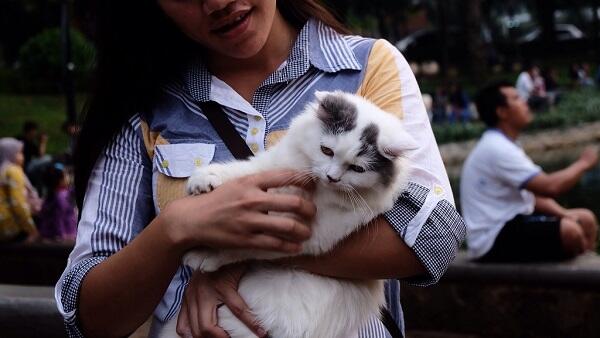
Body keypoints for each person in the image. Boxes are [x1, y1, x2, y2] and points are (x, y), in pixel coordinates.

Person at [56, 1, 465, 338]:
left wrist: (234, 260)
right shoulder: (145, 104)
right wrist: (174, 232)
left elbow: (431, 236)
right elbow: (88, 314)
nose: (217, 3)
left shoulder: (366, 65)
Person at [460, 81, 599, 263]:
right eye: (517, 98)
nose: (525, 101)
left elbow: (532, 195)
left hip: (512, 223)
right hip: (491, 238)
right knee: (570, 231)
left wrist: (563, 212)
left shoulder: (505, 145)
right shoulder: (497, 148)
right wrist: (583, 164)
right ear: (501, 112)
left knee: (585, 219)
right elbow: (550, 187)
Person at [0, 138, 40, 243]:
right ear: (9, 154)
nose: (23, 156)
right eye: (19, 153)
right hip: (12, 228)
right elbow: (18, 203)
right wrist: (31, 229)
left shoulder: (2, 171)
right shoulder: (13, 171)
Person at [37, 162, 77, 242]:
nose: (68, 177)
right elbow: (58, 219)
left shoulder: (54, 194)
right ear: (60, 180)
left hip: (50, 234)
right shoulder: (61, 197)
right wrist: (62, 236)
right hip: (65, 235)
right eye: (66, 175)